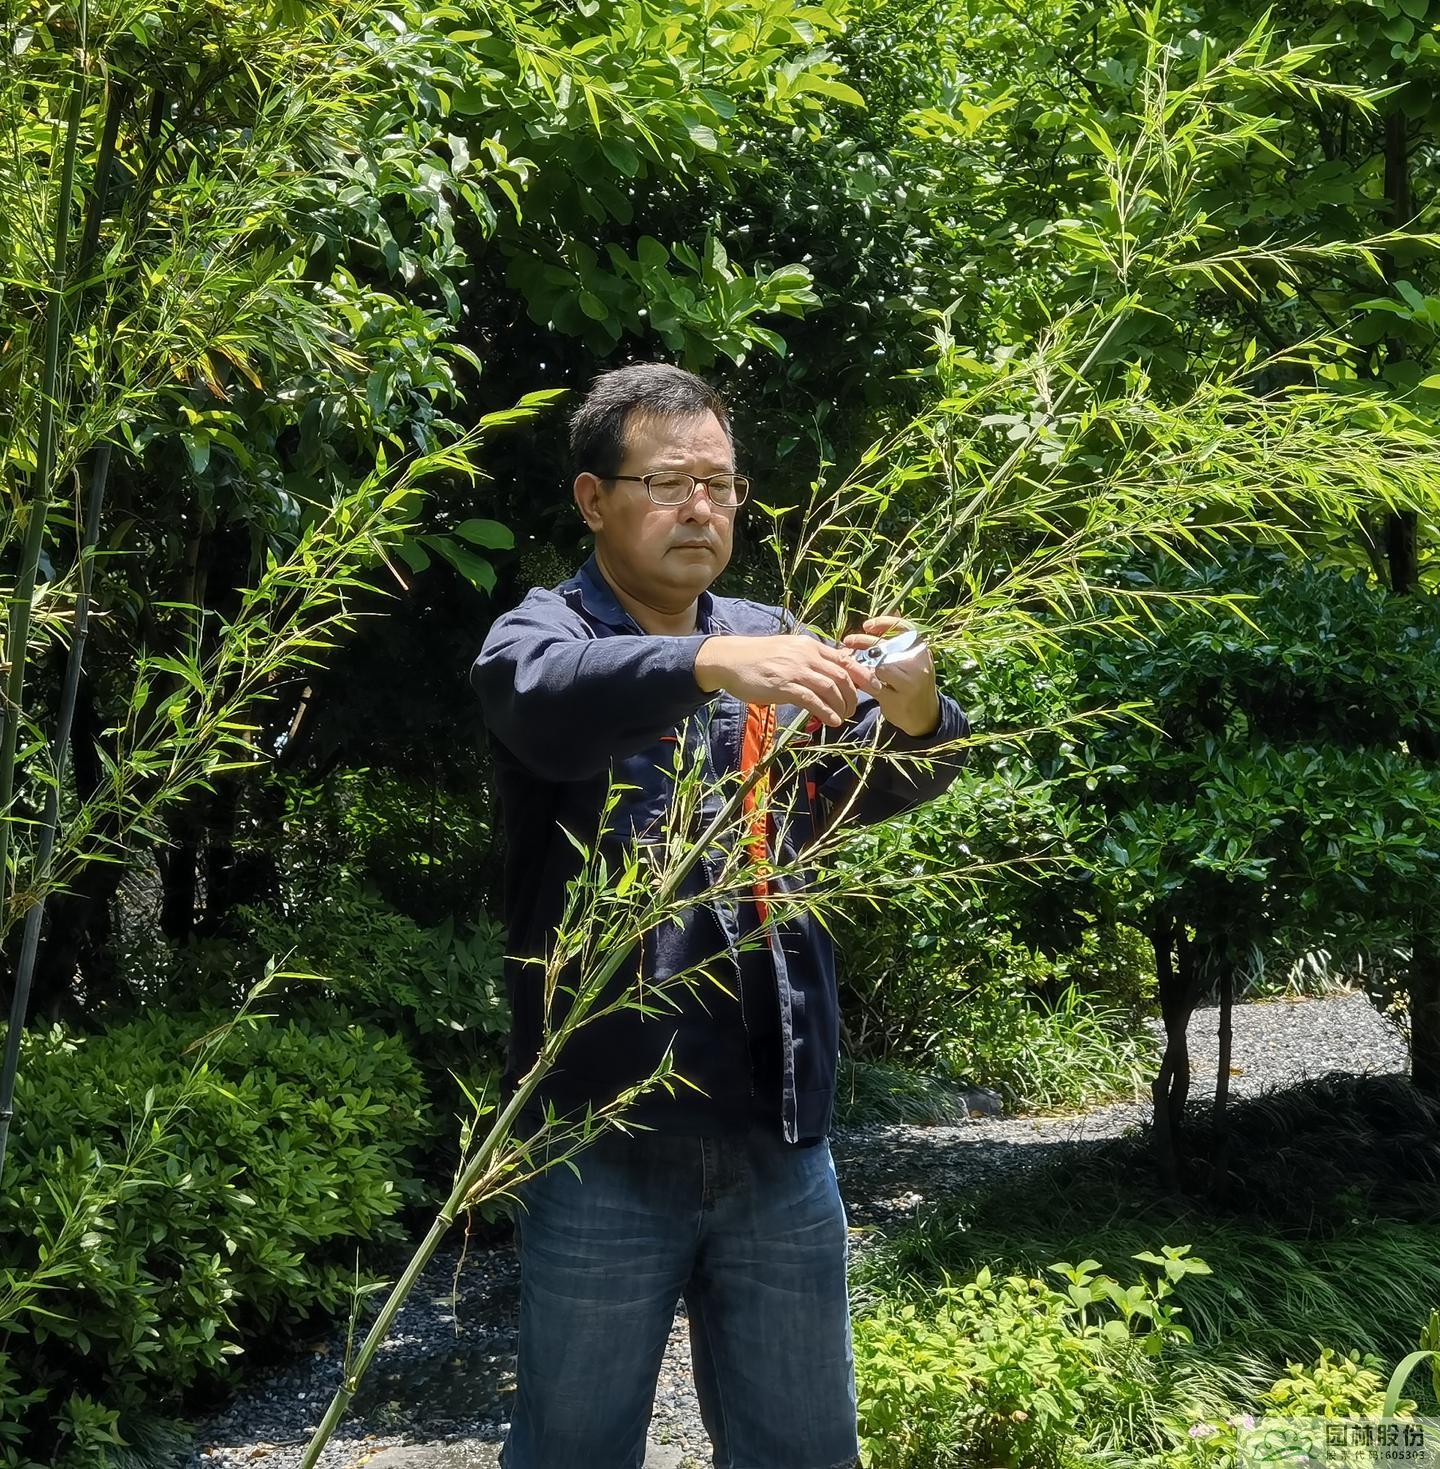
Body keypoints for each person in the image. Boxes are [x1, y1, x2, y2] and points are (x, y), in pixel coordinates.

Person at [470, 362, 968, 1469]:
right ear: (595, 499)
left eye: (722, 484)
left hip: (777, 1134)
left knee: (807, 1449)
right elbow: (541, 700)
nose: (702, 507)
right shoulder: (546, 632)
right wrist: (707, 661)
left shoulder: (769, 636)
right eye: (669, 482)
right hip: (600, 1135)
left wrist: (917, 709)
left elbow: (866, 784)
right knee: (571, 1451)